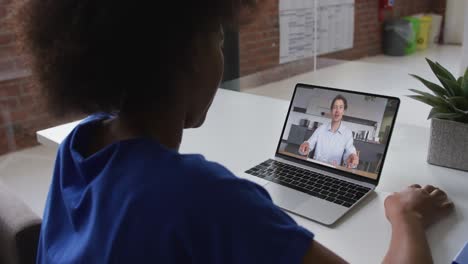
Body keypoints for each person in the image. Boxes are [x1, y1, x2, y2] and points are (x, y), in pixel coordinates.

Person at [13, 0, 454, 263]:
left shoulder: (80, 145)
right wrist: (406, 216)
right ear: (186, 55)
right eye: (218, 41)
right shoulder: (202, 196)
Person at [299, 95, 359, 168]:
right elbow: (308, 145)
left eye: (340, 107)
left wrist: (352, 158)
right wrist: (305, 146)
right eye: (335, 107)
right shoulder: (321, 128)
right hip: (316, 167)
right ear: (331, 110)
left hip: (333, 171)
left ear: (343, 111)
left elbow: (349, 154)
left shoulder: (347, 133)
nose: (337, 111)